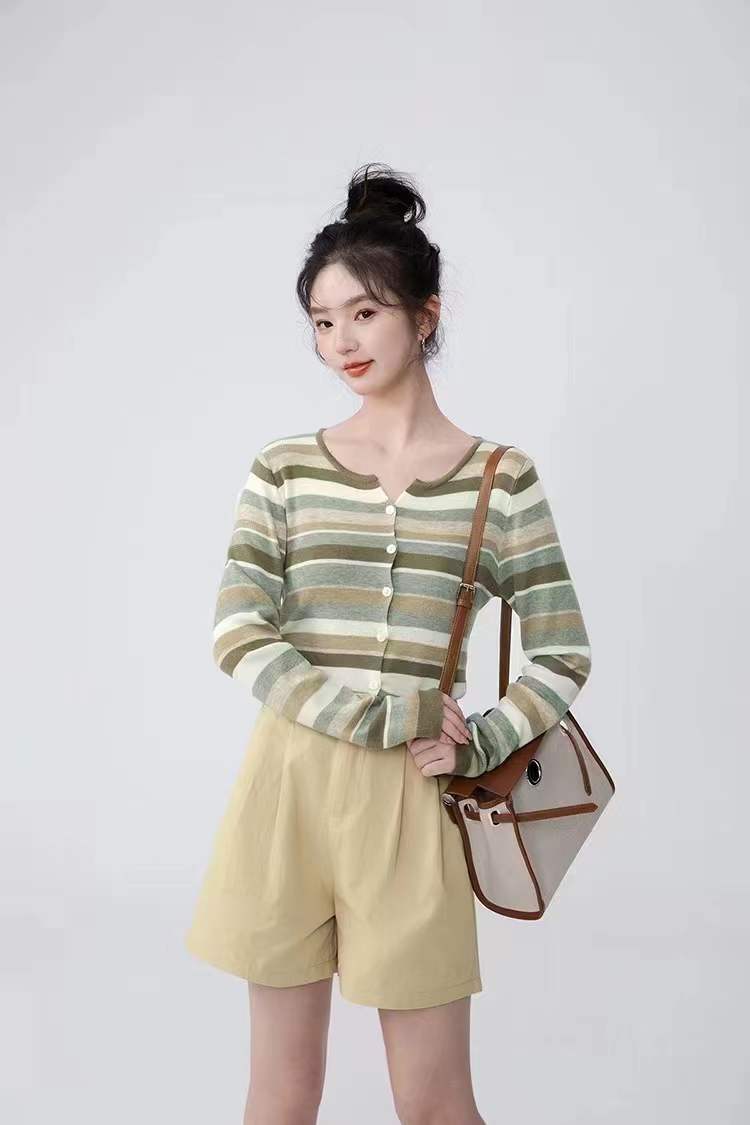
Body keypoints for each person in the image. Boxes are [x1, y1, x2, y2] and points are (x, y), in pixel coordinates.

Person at [185, 161, 592, 1125]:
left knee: (435, 1101)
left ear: (426, 314)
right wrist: (378, 715)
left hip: (414, 803)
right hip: (286, 791)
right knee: (281, 1097)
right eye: (323, 321)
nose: (342, 341)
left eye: (364, 313)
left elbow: (562, 651)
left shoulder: (500, 480)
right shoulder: (285, 468)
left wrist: (480, 742)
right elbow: (239, 628)